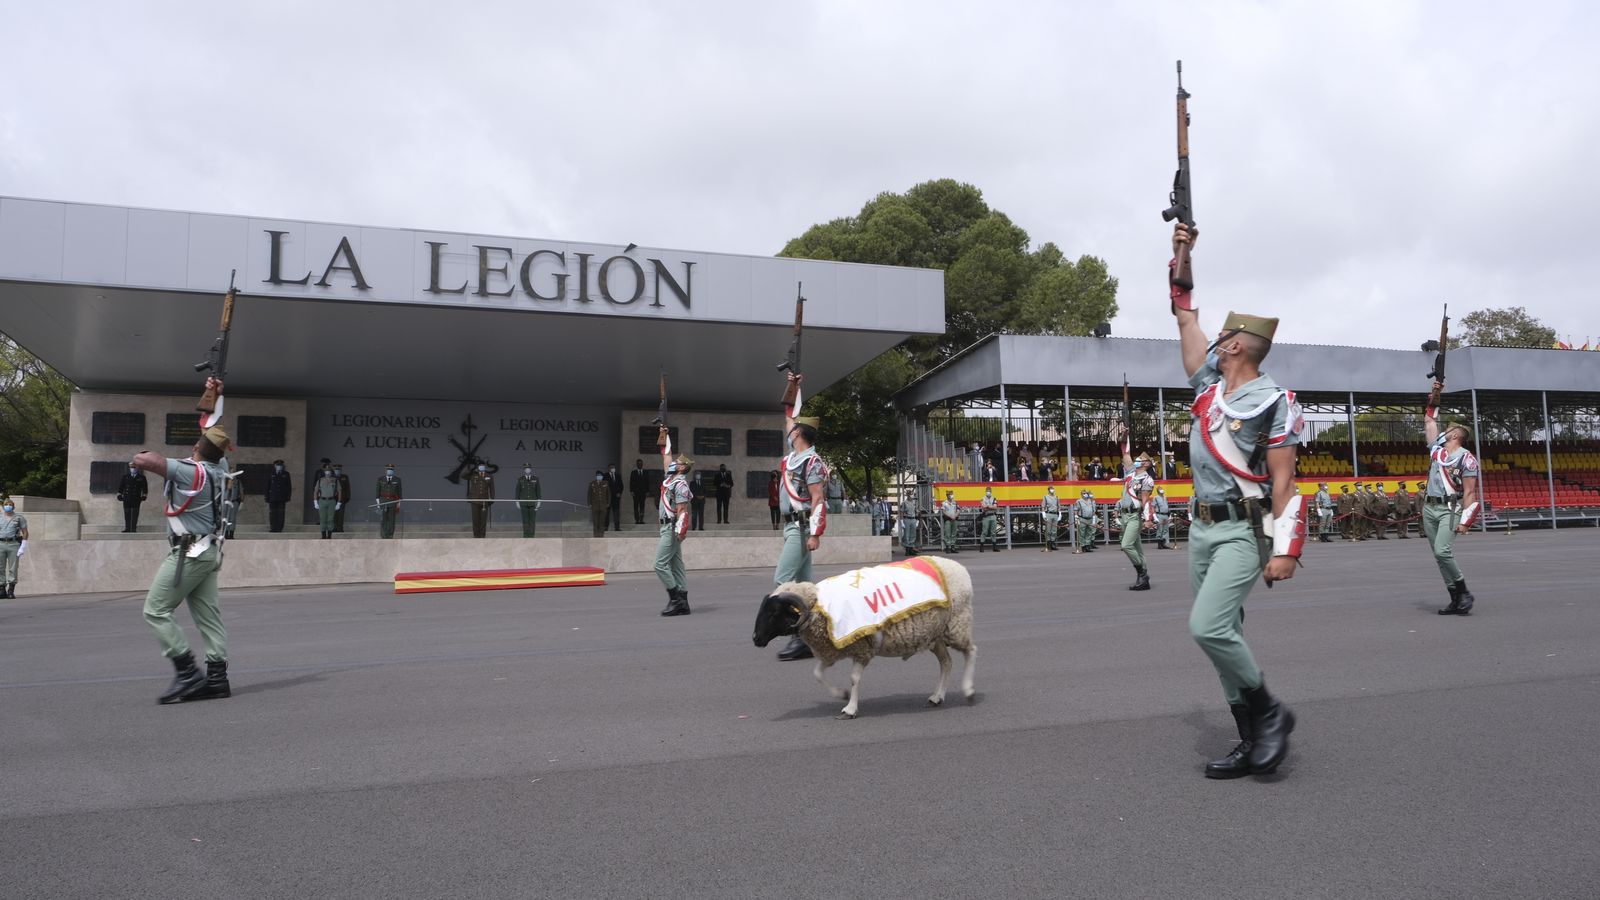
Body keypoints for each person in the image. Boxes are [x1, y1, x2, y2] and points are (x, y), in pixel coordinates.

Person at [1170, 220, 1304, 779]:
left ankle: (1271, 712)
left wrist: (1286, 548)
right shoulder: (1209, 388)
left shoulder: (1273, 402)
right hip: (1201, 529)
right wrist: (1181, 249)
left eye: (1224, 338)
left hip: (1242, 531)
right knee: (1226, 633)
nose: (1214, 343)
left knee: (1208, 627)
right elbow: (1183, 308)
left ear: (1240, 344)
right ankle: (1251, 741)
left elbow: (1285, 481)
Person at [129, 377, 233, 704]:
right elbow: (212, 431)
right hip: (208, 551)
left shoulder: (192, 472)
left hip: (189, 553)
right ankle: (217, 679)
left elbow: (143, 459)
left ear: (196, 449)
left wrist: (156, 459)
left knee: (156, 610)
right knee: (208, 616)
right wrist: (214, 395)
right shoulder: (220, 468)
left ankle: (187, 672)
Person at [774, 372, 829, 660]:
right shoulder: (793, 457)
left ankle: (798, 635)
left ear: (799, 434)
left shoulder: (812, 462)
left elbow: (818, 498)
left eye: (793, 429)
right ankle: (813, 637)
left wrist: (815, 534)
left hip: (801, 527)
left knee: (782, 582)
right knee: (807, 586)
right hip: (792, 527)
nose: (789, 430)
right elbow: (789, 415)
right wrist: (795, 386)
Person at [1423, 388, 1481, 615]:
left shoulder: (1467, 459)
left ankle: (1464, 591)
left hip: (1450, 508)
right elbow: (1429, 420)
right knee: (1438, 556)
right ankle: (1455, 598)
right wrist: (1434, 399)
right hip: (1429, 507)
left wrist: (1466, 520)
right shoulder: (1437, 451)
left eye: (1449, 429)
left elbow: (1469, 492)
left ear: (1457, 435)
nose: (1445, 431)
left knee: (1442, 551)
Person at [655, 430, 693, 616]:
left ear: (682, 468)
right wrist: (664, 433)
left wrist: (680, 530)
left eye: (677, 462)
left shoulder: (680, 484)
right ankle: (684, 603)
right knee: (677, 566)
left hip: (671, 528)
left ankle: (675, 599)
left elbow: (682, 510)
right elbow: (667, 456)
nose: (674, 462)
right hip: (667, 527)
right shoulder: (670, 479)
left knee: (660, 564)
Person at [1116, 439, 1156, 591]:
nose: (1137, 460)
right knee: (1138, 549)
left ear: (1146, 464)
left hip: (1134, 516)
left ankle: (1142, 573)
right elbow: (1125, 453)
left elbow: (1145, 500)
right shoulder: (1130, 473)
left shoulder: (1147, 479)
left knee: (1126, 545)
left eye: (1140, 459)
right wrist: (1124, 437)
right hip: (1125, 515)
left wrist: (1148, 519)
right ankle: (1144, 579)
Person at [0, 495, 29, 599]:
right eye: (6, 505)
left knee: (13, 567)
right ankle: (2, 589)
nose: (8, 506)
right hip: (1, 544)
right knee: (0, 567)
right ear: (3, 507)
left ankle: (11, 589)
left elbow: (25, 532)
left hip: (13, 544)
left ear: (13, 506)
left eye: (10, 505)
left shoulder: (19, 518)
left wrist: (23, 546)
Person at [117, 464, 149, 533]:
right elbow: (121, 487)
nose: (133, 469)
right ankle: (127, 528)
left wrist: (144, 495)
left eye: (135, 468)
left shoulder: (141, 477)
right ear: (130, 468)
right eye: (132, 467)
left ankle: (133, 528)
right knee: (127, 513)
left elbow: (145, 488)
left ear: (137, 469)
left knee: (135, 514)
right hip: (126, 498)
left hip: (136, 498)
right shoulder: (125, 477)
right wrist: (119, 494)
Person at [467, 463, 495, 538]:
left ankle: (482, 537)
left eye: (483, 466)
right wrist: (471, 469)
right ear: (478, 467)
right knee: (475, 520)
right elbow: (463, 475)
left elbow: (492, 489)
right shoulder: (473, 475)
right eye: (480, 466)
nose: (482, 467)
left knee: (483, 520)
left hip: (484, 501)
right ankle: (476, 536)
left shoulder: (489, 476)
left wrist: (491, 499)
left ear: (484, 467)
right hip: (475, 500)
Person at [314, 461, 340, 539]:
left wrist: (339, 503)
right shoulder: (320, 480)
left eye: (329, 471)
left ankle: (329, 534)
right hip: (322, 500)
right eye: (326, 471)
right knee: (322, 518)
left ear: (331, 472)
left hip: (331, 501)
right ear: (324, 472)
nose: (327, 472)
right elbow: (315, 491)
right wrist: (315, 502)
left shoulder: (335, 480)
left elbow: (339, 491)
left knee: (330, 518)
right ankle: (323, 535)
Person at [265, 459, 292, 533]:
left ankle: (279, 528)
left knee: (281, 513)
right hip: (273, 497)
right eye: (277, 465)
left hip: (282, 497)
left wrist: (288, 496)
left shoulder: (286, 474)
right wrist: (267, 496)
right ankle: (273, 528)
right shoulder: (271, 474)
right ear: (275, 466)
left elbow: (289, 486)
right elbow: (268, 486)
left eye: (280, 465)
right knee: (273, 513)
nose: (279, 466)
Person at [377, 464, 403, 539]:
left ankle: (390, 535)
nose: (390, 471)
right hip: (383, 501)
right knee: (383, 519)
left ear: (393, 471)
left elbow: (399, 492)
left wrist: (398, 504)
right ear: (385, 470)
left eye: (391, 469)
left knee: (392, 520)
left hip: (393, 502)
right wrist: (378, 503)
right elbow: (377, 492)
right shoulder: (380, 479)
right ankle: (383, 535)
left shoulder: (397, 479)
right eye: (388, 469)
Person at [516, 463, 541, 537]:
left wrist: (539, 501)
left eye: (529, 468)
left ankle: (532, 535)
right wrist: (517, 501)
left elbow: (538, 491)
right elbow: (517, 491)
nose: (527, 469)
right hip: (523, 503)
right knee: (525, 520)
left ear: (531, 469)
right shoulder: (520, 479)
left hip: (533, 503)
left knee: (532, 521)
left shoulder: (535, 479)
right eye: (526, 468)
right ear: (524, 470)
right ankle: (526, 535)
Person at [976, 486, 1001, 551]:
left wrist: (988, 506)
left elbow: (995, 507)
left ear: (991, 492)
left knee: (993, 532)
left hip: (993, 516)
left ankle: (994, 547)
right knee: (984, 532)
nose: (988, 492)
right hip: (986, 516)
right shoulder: (983, 499)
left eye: (989, 491)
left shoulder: (994, 498)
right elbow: (983, 507)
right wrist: (990, 506)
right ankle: (981, 547)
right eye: (987, 491)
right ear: (985, 491)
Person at [587, 470, 611, 538]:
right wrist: (589, 503)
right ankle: (595, 534)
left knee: (602, 521)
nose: (599, 477)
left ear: (602, 476)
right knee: (595, 521)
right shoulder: (592, 483)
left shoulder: (606, 483)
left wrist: (608, 503)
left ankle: (601, 534)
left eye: (600, 475)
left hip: (603, 505)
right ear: (596, 476)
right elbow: (589, 494)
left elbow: (608, 494)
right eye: (598, 475)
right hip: (595, 505)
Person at [1073, 489, 1097, 554]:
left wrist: (1094, 520)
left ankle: (1087, 546)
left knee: (1089, 532)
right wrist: (1076, 516)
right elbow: (1075, 509)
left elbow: (1094, 511)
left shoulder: (1091, 501)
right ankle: (1083, 546)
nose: (1085, 494)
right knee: (1082, 533)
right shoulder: (1079, 501)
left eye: (1086, 493)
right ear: (1081, 494)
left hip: (1090, 519)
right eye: (1083, 493)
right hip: (1082, 519)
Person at [1040, 485, 1062, 552]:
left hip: (1055, 514)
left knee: (1054, 530)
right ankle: (1048, 544)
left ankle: (1053, 543)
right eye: (1051, 489)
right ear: (1049, 490)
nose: (1052, 490)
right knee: (1048, 530)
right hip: (1048, 514)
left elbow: (1059, 506)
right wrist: (1043, 514)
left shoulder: (1057, 497)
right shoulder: (1045, 497)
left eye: (1053, 489)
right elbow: (1043, 506)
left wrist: (1060, 513)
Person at [629, 459, 649, 525]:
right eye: (638, 463)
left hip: (643, 492)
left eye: (641, 463)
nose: (639, 465)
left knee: (642, 506)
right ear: (637, 464)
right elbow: (631, 482)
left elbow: (647, 482)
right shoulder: (633, 472)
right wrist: (631, 491)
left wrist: (647, 491)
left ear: (642, 464)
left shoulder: (645, 472)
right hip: (635, 492)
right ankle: (637, 520)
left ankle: (641, 520)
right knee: (636, 506)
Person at [333, 463, 351, 533]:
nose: (337, 470)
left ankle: (340, 528)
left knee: (341, 514)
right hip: (333, 498)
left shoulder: (344, 477)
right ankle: (334, 527)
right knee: (334, 514)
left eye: (339, 469)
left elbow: (347, 488)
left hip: (342, 499)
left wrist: (348, 497)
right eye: (336, 469)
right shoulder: (331, 477)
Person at [606, 464, 624, 532]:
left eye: (614, 467)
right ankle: (605, 527)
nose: (613, 469)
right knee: (607, 513)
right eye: (611, 467)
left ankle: (617, 527)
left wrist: (620, 492)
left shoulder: (618, 476)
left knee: (616, 513)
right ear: (608, 468)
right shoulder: (605, 476)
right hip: (608, 498)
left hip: (616, 498)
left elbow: (621, 486)